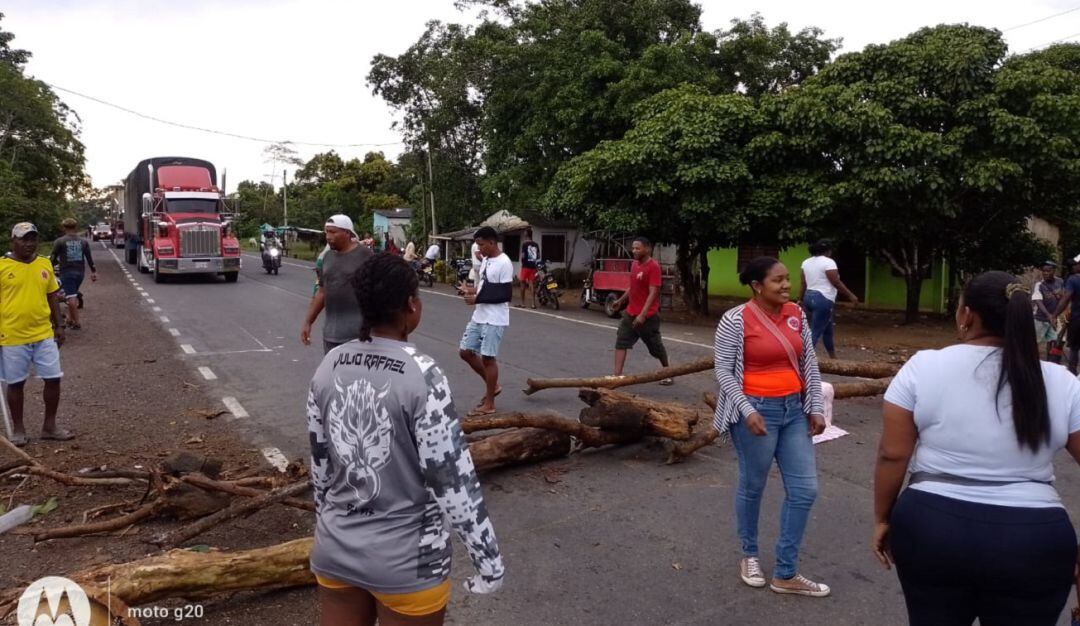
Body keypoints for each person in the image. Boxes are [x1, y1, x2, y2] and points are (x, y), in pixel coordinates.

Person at [873, 271, 1080, 625]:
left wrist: (882, 518)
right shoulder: (1061, 381)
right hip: (1034, 542)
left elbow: (892, 454)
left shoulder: (923, 366)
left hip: (931, 530)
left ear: (967, 314)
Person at [308, 252, 504, 626]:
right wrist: (487, 560)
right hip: (408, 563)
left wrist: (328, 526)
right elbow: (452, 480)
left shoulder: (329, 365)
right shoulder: (423, 374)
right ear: (412, 306)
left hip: (335, 550)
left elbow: (320, 466)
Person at [713, 256, 829, 597]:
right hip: (756, 412)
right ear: (757, 286)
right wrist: (746, 410)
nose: (786, 285)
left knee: (805, 490)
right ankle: (749, 554)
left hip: (794, 411)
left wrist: (816, 407)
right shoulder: (735, 320)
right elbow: (722, 370)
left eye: (787, 279)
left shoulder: (796, 315)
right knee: (753, 486)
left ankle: (786, 572)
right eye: (777, 280)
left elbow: (809, 361)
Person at [1, 223, 71, 447]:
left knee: (53, 378)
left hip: (43, 333)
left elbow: (52, 296)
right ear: (13, 240)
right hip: (12, 335)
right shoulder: (2, 266)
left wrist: (59, 326)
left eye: (33, 239)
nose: (29, 243)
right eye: (24, 239)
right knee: (16, 383)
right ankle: (19, 429)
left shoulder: (44, 263)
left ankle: (49, 427)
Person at [458, 227, 512, 416]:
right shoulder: (487, 260)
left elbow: (505, 294)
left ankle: (489, 403)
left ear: (492, 242)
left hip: (495, 318)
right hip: (480, 315)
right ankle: (493, 385)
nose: (479, 249)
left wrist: (477, 299)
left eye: (481, 245)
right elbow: (485, 287)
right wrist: (470, 290)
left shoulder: (504, 262)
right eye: (477, 245)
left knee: (488, 359)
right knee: (465, 352)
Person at [301, 215, 373, 354]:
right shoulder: (327, 258)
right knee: (333, 375)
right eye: (327, 232)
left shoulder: (365, 255)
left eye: (333, 232)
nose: (328, 236)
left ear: (347, 232)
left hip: (358, 336)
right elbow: (322, 292)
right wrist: (308, 322)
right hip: (331, 335)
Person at [612, 237, 672, 384]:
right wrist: (620, 301)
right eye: (633, 248)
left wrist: (643, 314)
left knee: (655, 347)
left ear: (647, 249)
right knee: (621, 341)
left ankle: (668, 373)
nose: (634, 251)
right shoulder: (634, 265)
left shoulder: (653, 267)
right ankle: (616, 377)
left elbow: (654, 292)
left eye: (638, 248)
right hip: (630, 313)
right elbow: (632, 287)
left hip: (647, 317)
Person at [799, 240, 859, 359]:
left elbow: (803, 283)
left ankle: (833, 357)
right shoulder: (828, 262)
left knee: (827, 329)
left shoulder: (806, 262)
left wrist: (799, 299)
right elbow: (835, 282)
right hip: (823, 298)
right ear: (828, 251)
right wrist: (851, 295)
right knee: (815, 331)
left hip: (809, 297)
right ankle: (802, 358)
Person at [49, 217, 96, 331]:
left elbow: (53, 257)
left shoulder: (60, 241)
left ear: (64, 227)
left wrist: (50, 267)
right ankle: (70, 319)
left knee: (70, 298)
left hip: (66, 272)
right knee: (73, 295)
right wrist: (94, 272)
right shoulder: (83, 241)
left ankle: (77, 322)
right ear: (76, 227)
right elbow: (89, 257)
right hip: (80, 273)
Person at [1032, 260, 1065, 361]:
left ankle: (1052, 362)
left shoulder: (1060, 282)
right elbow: (1038, 301)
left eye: (1048, 271)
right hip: (1040, 318)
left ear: (1054, 271)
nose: (1045, 273)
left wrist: (1057, 315)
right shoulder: (1039, 285)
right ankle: (1034, 362)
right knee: (1035, 342)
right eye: (1044, 271)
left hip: (1056, 317)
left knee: (1057, 341)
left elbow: (1063, 297)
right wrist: (1049, 315)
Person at [1053, 255, 1080, 373]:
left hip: (1077, 319)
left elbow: (1066, 299)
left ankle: (1072, 374)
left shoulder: (1073, 279)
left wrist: (1054, 315)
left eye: (1075, 264)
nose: (1073, 266)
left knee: (1074, 348)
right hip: (1073, 317)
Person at [518, 229, 540, 309]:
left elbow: (523, 256)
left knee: (522, 284)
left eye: (525, 233)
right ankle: (533, 303)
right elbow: (538, 256)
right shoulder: (536, 244)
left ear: (526, 234)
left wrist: (523, 261)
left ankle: (523, 303)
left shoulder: (524, 244)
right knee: (532, 285)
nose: (524, 234)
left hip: (525, 266)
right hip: (533, 267)